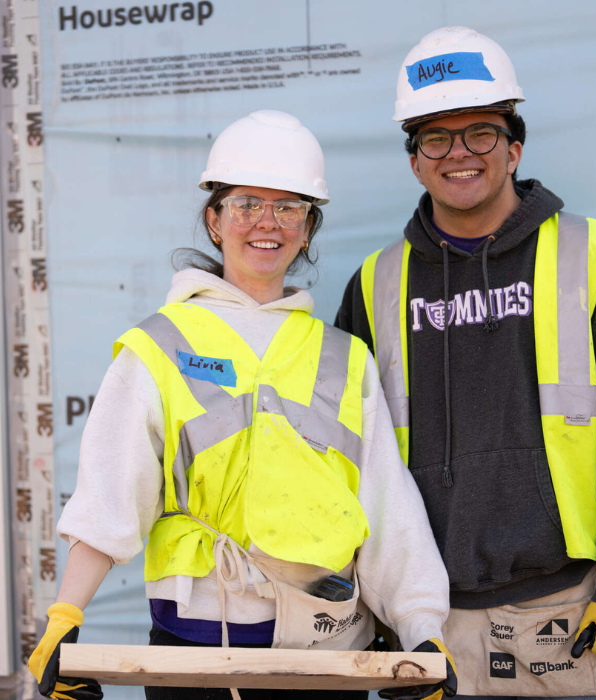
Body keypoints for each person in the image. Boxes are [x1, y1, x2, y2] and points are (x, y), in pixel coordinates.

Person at [27, 109, 458, 700]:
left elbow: (386, 509)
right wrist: (64, 619)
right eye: (247, 203)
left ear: (309, 228)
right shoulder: (162, 345)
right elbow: (107, 498)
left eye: (289, 207)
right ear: (214, 219)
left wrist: (421, 632)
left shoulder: (343, 357)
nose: (267, 223)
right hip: (197, 654)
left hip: (327, 653)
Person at [336, 27, 596, 700]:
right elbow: (346, 458)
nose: (458, 154)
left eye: (481, 134)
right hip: (426, 618)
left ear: (514, 147)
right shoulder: (375, 285)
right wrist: (368, 604)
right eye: (436, 137)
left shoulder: (589, 257)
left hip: (569, 609)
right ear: (414, 159)